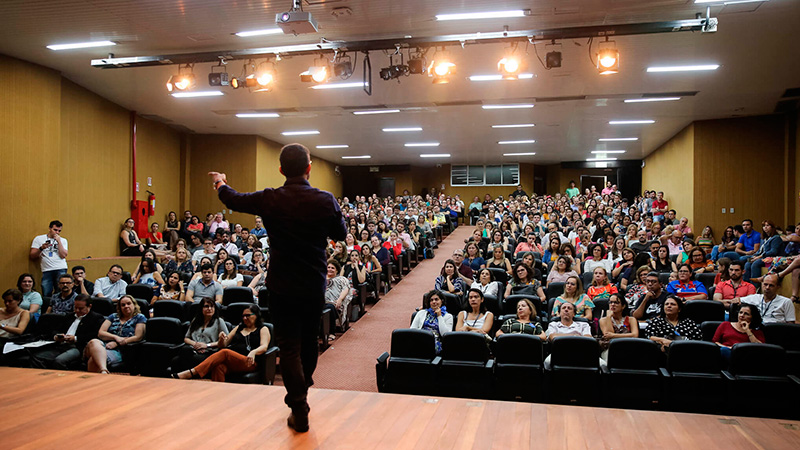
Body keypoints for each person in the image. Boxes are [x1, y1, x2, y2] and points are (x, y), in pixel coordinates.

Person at [211, 143, 346, 432]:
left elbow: (234, 200)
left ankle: (299, 402)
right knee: (309, 342)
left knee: (288, 346)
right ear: (309, 168)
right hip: (312, 284)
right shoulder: (325, 199)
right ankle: (301, 391)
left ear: (282, 169)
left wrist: (220, 182)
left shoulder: (271, 199)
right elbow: (340, 233)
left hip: (282, 284)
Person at [173, 303, 270, 382]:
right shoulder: (239, 327)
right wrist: (221, 339)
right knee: (218, 366)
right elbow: (224, 344)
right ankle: (218, 394)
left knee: (225, 352)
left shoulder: (263, 329)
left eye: (248, 315)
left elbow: (264, 346)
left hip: (249, 361)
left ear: (256, 315)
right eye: (243, 316)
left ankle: (191, 373)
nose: (245, 318)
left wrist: (253, 352)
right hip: (233, 361)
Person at [30, 294, 104, 370]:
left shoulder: (96, 318)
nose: (77, 310)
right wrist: (57, 336)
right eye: (75, 308)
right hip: (60, 345)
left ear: (89, 306)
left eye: (81, 308)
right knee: (37, 357)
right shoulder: (69, 316)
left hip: (77, 347)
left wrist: (75, 338)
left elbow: (95, 335)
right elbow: (56, 330)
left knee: (59, 361)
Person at [84, 295, 147, 373]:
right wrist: (116, 337)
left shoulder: (139, 318)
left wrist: (118, 343)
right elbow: (101, 333)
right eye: (123, 305)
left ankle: (102, 372)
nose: (126, 306)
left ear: (134, 305)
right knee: (94, 342)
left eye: (128, 303)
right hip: (103, 345)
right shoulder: (113, 316)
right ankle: (103, 370)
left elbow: (138, 337)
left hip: (121, 350)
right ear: (119, 307)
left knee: (93, 360)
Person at [172, 297, 229, 371]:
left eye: (212, 306)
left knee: (185, 358)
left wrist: (206, 345)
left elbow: (226, 340)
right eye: (206, 306)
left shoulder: (219, 321)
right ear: (201, 308)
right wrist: (196, 344)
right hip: (193, 350)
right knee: (175, 360)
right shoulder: (196, 320)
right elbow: (186, 338)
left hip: (209, 352)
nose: (209, 309)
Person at [544, 302, 593, 369]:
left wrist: (562, 336)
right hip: (559, 352)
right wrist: (575, 335)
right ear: (559, 313)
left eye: (569, 308)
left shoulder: (583, 325)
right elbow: (553, 337)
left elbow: (588, 338)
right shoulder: (553, 324)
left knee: (603, 364)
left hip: (581, 352)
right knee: (547, 362)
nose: (566, 310)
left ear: (574, 314)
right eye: (564, 308)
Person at [30, 220, 69, 297]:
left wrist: (59, 242)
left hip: (60, 268)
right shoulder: (39, 239)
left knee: (61, 292)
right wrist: (41, 248)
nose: (57, 232)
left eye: (59, 231)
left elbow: (63, 255)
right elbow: (32, 255)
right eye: (55, 230)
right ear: (50, 228)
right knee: (46, 292)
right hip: (47, 269)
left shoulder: (63, 240)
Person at [599, 293, 639, 361]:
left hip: (629, 348)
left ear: (623, 306)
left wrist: (614, 335)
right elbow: (609, 336)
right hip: (610, 349)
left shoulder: (631, 319)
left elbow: (635, 335)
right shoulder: (603, 320)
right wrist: (608, 317)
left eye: (616, 302)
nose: (612, 304)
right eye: (610, 302)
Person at [325, 260, 352, 334]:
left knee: (330, 307)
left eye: (332, 268)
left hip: (334, 303)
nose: (330, 269)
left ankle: (331, 332)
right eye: (328, 267)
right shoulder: (321, 279)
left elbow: (346, 289)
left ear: (337, 270)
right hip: (321, 302)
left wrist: (340, 299)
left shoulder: (341, 279)